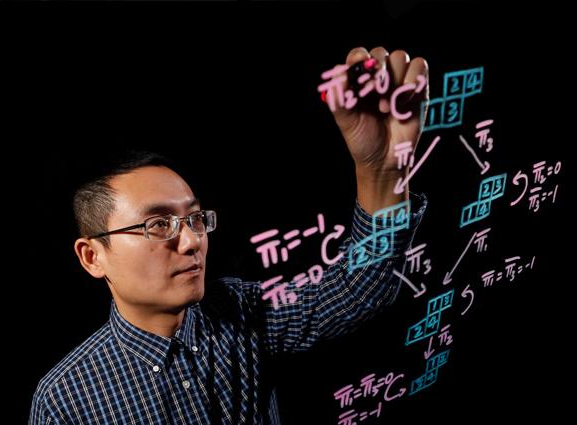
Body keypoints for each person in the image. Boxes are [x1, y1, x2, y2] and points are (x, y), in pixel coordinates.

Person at [30, 46, 429, 425]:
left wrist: (383, 172)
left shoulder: (240, 312)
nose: (190, 242)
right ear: (92, 256)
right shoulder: (66, 399)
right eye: (158, 225)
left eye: (195, 219)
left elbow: (359, 291)